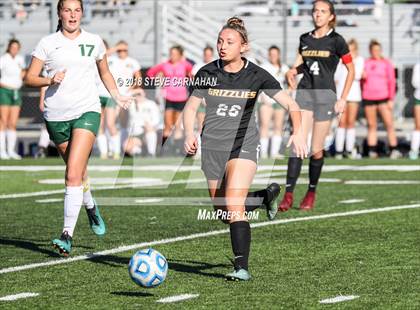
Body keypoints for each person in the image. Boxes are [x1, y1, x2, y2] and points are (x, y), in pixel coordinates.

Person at [184, 17, 307, 281]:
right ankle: (264, 197)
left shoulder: (256, 74)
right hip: (213, 148)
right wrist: (189, 133)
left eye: (230, 42)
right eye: (220, 41)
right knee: (224, 213)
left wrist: (298, 132)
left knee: (234, 204)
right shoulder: (206, 73)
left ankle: (241, 267)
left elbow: (292, 105)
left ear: (244, 47)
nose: (222, 46)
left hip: (244, 145)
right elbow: (191, 108)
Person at [24, 0, 132, 256]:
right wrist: (49, 80)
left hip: (87, 111)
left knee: (73, 173)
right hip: (56, 116)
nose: (72, 15)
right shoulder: (47, 43)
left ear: (82, 13)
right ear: (59, 14)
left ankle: (66, 235)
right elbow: (29, 78)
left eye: (76, 10)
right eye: (67, 10)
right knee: (79, 172)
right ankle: (91, 205)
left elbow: (104, 72)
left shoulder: (94, 41)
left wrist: (116, 95)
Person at [278, 0, 355, 212]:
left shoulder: (337, 41)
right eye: (315, 11)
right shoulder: (304, 39)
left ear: (331, 16)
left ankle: (311, 192)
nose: (317, 14)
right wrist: (292, 71)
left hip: (325, 98)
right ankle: (288, 194)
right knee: (297, 144)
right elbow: (301, 64)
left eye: (322, 11)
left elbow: (351, 71)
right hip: (304, 95)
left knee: (315, 149)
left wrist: (343, 98)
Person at [147, 45, 193, 154]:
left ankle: (178, 150)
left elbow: (193, 72)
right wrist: (159, 82)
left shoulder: (185, 64)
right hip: (168, 97)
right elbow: (150, 73)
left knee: (178, 125)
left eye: (175, 54)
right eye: (171, 53)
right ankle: (165, 150)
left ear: (180, 55)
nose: (172, 56)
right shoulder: (165, 65)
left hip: (181, 98)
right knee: (167, 124)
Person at [362, 39, 400, 159]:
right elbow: (361, 81)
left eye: (378, 50)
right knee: (372, 125)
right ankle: (372, 150)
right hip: (369, 97)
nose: (376, 52)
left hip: (384, 97)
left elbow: (392, 81)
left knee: (389, 124)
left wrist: (391, 99)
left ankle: (393, 149)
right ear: (370, 51)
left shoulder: (386, 63)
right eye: (374, 50)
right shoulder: (366, 63)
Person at [107, 40, 141, 159]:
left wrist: (130, 90)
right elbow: (101, 56)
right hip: (113, 95)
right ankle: (115, 151)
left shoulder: (133, 62)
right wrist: (115, 47)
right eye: (120, 50)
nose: (122, 52)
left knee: (124, 124)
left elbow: (138, 79)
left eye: (124, 50)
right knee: (110, 123)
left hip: (126, 96)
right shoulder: (111, 60)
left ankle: (123, 150)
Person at [334, 38, 364, 159]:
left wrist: (351, 63)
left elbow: (357, 75)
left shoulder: (359, 60)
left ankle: (349, 149)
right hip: (341, 94)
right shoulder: (339, 61)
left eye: (352, 50)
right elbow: (335, 77)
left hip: (354, 94)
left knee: (351, 122)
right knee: (341, 122)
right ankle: (339, 150)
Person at [259, 45, 289, 159]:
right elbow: (259, 84)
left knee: (278, 126)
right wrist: (263, 97)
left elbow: (289, 84)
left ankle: (274, 152)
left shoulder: (284, 68)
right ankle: (264, 153)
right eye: (271, 54)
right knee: (265, 126)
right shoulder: (264, 67)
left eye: (275, 54)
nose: (273, 56)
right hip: (266, 100)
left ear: (279, 55)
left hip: (279, 101)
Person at [95, 40, 124, 160]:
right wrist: (116, 47)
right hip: (96, 95)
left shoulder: (114, 61)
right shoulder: (94, 59)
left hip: (109, 95)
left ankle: (116, 152)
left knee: (110, 124)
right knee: (99, 126)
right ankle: (104, 153)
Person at [0, 39, 26, 160]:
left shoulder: (20, 59)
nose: (14, 49)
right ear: (9, 47)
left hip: (16, 91)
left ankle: (11, 151)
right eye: (12, 47)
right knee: (3, 121)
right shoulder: (3, 59)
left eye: (17, 47)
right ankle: (2, 151)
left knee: (13, 123)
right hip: (5, 90)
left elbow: (23, 72)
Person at [192, 46, 215, 155]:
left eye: (209, 54)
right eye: (206, 54)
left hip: (214, 101)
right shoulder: (198, 67)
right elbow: (195, 84)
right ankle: (200, 150)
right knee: (202, 125)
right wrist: (201, 98)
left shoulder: (217, 66)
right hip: (202, 100)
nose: (207, 56)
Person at [124, 89, 160, 157]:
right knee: (126, 147)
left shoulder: (151, 104)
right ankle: (139, 151)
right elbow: (123, 96)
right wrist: (135, 91)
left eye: (139, 94)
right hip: (134, 134)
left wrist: (150, 125)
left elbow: (156, 120)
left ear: (144, 94)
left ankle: (151, 153)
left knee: (150, 130)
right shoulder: (131, 104)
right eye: (136, 95)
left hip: (147, 131)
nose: (138, 96)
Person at [409, 61, 420, 160]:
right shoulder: (418, 65)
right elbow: (415, 82)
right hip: (419, 98)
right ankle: (414, 150)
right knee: (418, 125)